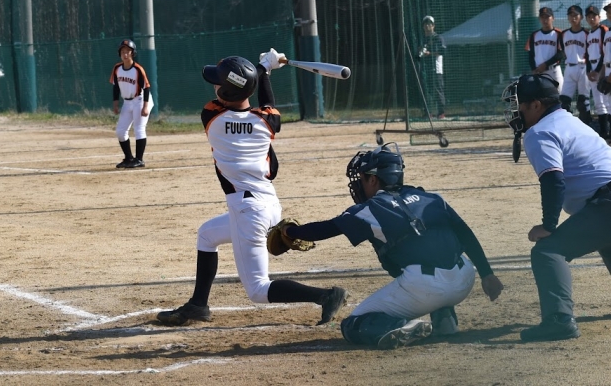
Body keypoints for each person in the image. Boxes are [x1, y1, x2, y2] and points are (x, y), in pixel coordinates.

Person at [156, 49, 348, 326]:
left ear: (226, 91)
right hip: (268, 205)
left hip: (249, 212)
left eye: (219, 83)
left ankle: (326, 295)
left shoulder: (212, 117)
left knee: (258, 289)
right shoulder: (267, 122)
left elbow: (242, 94)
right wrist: (264, 71)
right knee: (207, 235)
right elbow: (266, 104)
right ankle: (198, 305)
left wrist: (263, 67)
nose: (214, 86)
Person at [280, 144, 503, 349]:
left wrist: (290, 232)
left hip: (424, 289)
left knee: (353, 324)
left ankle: (402, 325)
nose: (358, 183)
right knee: (433, 258)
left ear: (373, 180)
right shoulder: (431, 197)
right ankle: (444, 319)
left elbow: (326, 228)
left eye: (362, 178)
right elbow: (465, 233)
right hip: (464, 278)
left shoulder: (373, 208)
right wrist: (487, 274)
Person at [502, 73, 611, 342]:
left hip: (607, 202)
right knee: (606, 240)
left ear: (536, 105)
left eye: (520, 104)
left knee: (548, 251)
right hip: (604, 201)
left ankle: (559, 320)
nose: (516, 111)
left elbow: (553, 179)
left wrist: (548, 225)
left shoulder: (540, 131)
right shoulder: (569, 120)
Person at [110, 39, 153, 168]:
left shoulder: (138, 69)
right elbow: (116, 87)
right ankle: (129, 158)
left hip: (140, 100)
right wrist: (115, 104)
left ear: (133, 53)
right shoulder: (117, 68)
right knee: (120, 131)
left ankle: (139, 160)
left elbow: (146, 87)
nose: (125, 54)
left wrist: (145, 107)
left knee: (139, 128)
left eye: (128, 51)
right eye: (123, 51)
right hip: (127, 102)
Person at [559, 5, 593, 125]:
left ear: (581, 17)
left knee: (583, 102)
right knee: (564, 101)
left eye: (575, 15)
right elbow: (563, 51)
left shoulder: (587, 33)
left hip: (583, 67)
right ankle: (568, 126)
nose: (573, 18)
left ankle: (587, 125)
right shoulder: (564, 34)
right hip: (569, 67)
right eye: (570, 15)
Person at [585, 5, 611, 139]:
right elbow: (602, 54)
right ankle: (605, 133)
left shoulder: (603, 30)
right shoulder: (605, 33)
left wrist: (600, 71)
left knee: (606, 102)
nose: (591, 19)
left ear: (599, 17)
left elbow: (602, 54)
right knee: (603, 103)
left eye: (593, 16)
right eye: (609, 12)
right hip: (603, 68)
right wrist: (595, 72)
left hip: (604, 68)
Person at [416, 15, 446, 119]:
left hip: (436, 69)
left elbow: (443, 51)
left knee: (438, 90)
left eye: (429, 24)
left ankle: (441, 113)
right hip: (425, 69)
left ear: (433, 26)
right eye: (425, 24)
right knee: (425, 91)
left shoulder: (438, 38)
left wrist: (430, 54)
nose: (427, 26)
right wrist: (420, 51)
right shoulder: (422, 39)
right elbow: (418, 54)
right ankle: (428, 113)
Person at [525, 7, 564, 87]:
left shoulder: (559, 34)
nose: (545, 20)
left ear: (553, 18)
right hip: (539, 72)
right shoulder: (534, 35)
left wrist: (546, 64)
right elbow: (531, 54)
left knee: (560, 94)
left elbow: (562, 53)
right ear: (539, 19)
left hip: (554, 71)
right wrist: (533, 69)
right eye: (542, 17)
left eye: (547, 17)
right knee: (540, 95)